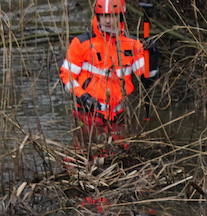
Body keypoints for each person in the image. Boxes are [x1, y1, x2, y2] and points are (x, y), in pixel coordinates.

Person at [59, 0, 158, 139]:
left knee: (119, 154)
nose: (108, 21)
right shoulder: (81, 43)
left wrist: (152, 57)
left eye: (113, 15)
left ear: (121, 17)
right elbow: (66, 77)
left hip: (119, 116)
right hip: (88, 114)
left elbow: (147, 78)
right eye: (104, 16)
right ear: (98, 17)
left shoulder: (132, 45)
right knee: (89, 153)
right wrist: (83, 97)